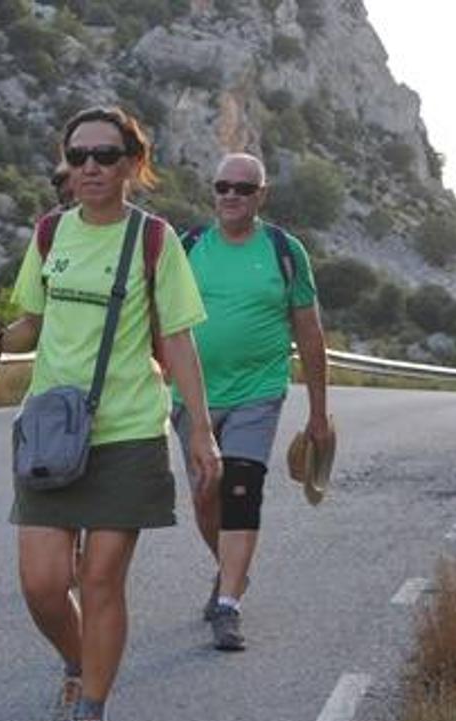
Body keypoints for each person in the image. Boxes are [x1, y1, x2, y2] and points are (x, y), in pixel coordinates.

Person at [0, 107, 221, 721]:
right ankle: (78, 664)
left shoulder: (155, 241)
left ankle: (92, 718)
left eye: (105, 156)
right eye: (77, 156)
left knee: (103, 577)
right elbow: (30, 324)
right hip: (53, 428)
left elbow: (180, 342)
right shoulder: (51, 234)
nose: (89, 168)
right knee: (44, 584)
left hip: (129, 431)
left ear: (133, 165)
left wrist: (199, 432)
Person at [170, 152, 331, 651]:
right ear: (213, 191)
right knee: (205, 493)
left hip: (258, 392)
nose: (231, 196)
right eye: (223, 187)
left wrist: (319, 414)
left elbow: (309, 331)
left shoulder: (285, 251)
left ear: (262, 195)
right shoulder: (187, 246)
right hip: (192, 395)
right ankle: (229, 570)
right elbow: (159, 321)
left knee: (242, 487)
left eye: (243, 188)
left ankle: (229, 605)